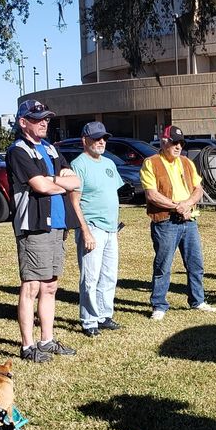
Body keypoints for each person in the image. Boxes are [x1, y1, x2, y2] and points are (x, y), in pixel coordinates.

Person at [6, 100, 81, 362]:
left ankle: (46, 341)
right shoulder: (18, 151)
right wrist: (57, 183)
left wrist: (54, 181)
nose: (44, 122)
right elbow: (40, 186)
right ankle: (28, 346)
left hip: (57, 225)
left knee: (50, 286)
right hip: (34, 226)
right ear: (23, 122)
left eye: (46, 118)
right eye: (37, 118)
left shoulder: (50, 148)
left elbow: (76, 180)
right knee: (31, 287)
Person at [143, 125, 216, 319]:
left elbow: (198, 189)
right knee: (163, 265)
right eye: (174, 142)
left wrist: (188, 204)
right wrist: (178, 206)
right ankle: (159, 305)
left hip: (189, 220)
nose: (178, 146)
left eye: (181, 143)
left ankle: (197, 300)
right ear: (164, 141)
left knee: (195, 263)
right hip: (165, 221)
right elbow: (152, 195)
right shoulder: (151, 163)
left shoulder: (186, 162)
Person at [68, 121, 123, 338]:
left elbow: (111, 195)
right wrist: (85, 231)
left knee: (109, 274)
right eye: (97, 138)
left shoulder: (109, 163)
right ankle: (89, 320)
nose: (101, 142)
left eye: (104, 138)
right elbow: (74, 202)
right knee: (90, 277)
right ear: (85, 140)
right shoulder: (78, 165)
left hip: (111, 229)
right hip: (92, 227)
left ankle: (104, 315)